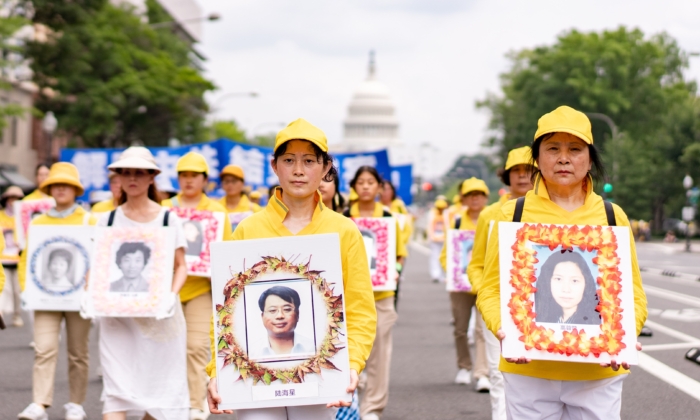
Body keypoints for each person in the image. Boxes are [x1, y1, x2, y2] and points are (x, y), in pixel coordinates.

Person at [476, 106, 647, 419]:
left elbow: (632, 294)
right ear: (537, 159)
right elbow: (489, 290)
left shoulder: (612, 216)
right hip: (529, 371)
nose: (564, 158)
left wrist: (625, 335)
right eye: (553, 148)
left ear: (590, 158)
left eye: (575, 149)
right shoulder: (511, 214)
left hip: (597, 375)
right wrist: (504, 329)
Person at [207, 118, 377, 420]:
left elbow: (360, 308)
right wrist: (215, 371)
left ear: (325, 168)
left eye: (309, 161)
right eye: (289, 160)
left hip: (319, 378)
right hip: (255, 381)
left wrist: (352, 364)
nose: (298, 170)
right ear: (275, 166)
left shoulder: (345, 231)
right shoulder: (248, 229)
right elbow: (225, 311)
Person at [97, 146, 189, 420]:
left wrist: (170, 296)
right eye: (126, 173)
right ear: (119, 178)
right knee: (116, 392)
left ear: (152, 178)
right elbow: (99, 266)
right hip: (117, 319)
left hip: (160, 320)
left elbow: (181, 265)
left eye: (139, 172)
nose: (132, 178)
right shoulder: (108, 219)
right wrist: (91, 294)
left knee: (160, 394)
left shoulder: (167, 218)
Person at [17, 162, 95, 420]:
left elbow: (98, 258)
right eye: (56, 185)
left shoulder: (88, 219)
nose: (61, 189)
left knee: (78, 352)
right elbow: (27, 259)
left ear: (75, 190)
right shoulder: (38, 221)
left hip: (79, 298)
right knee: (44, 348)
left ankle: (76, 403)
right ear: (49, 188)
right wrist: (27, 289)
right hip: (45, 297)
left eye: (66, 185)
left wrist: (91, 289)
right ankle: (40, 403)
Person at [162, 151, 232, 420]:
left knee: (195, 346)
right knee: (165, 348)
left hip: (202, 288)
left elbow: (225, 252)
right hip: (168, 289)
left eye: (194, 175)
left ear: (205, 180)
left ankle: (195, 402)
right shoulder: (165, 208)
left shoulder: (216, 212)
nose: (189, 180)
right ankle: (166, 401)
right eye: (184, 175)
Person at [467, 145, 535, 420]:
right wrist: (484, 293)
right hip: (498, 306)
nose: (521, 176)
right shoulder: (490, 214)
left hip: (536, 307)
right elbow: (477, 264)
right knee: (499, 372)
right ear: (506, 176)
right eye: (515, 171)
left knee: (534, 378)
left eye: (528, 170)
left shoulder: (549, 211)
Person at [344, 165, 407, 420]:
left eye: (371, 182)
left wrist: (396, 270)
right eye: (361, 182)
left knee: (380, 355)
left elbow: (399, 254)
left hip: (381, 296)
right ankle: (352, 400)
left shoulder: (389, 218)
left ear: (380, 188)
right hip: (350, 297)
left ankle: (373, 408)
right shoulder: (344, 217)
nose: (366, 186)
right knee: (349, 351)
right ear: (354, 187)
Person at [438, 178, 490, 391]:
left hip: (485, 285)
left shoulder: (492, 220)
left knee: (482, 329)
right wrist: (453, 272)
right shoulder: (458, 223)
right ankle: (464, 366)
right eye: (470, 194)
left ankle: (481, 373)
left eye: (479, 194)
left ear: (486, 197)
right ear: (464, 198)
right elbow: (445, 255)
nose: (475, 198)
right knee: (460, 329)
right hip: (461, 287)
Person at [534, 251, 600, 325]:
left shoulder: (597, 323)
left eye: (574, 281)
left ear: (586, 284)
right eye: (558, 279)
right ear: (547, 281)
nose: (566, 289)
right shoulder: (538, 318)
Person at [255, 285, 314, 359]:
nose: (280, 316)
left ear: (297, 314)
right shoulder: (251, 353)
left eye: (287, 309)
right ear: (262, 316)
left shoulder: (314, 348)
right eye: (272, 310)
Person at [0, 185, 24, 327]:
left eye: (17, 198)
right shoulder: (1, 215)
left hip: (19, 258)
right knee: (4, 287)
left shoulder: (23, 217)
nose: (13, 201)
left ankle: (17, 315)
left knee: (17, 290)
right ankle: (2, 311)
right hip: (3, 258)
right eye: (11, 198)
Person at [380, 180, 413, 248]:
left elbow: (407, 225)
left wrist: (401, 242)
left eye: (388, 189)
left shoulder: (399, 206)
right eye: (383, 189)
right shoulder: (376, 207)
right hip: (382, 246)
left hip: (399, 245)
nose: (385, 192)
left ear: (392, 191)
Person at [427, 197, 448, 283]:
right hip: (434, 239)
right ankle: (435, 274)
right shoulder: (432, 213)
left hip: (444, 239)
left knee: (444, 257)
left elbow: (448, 225)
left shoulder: (446, 214)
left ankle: (443, 275)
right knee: (435, 256)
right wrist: (431, 237)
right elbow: (429, 226)